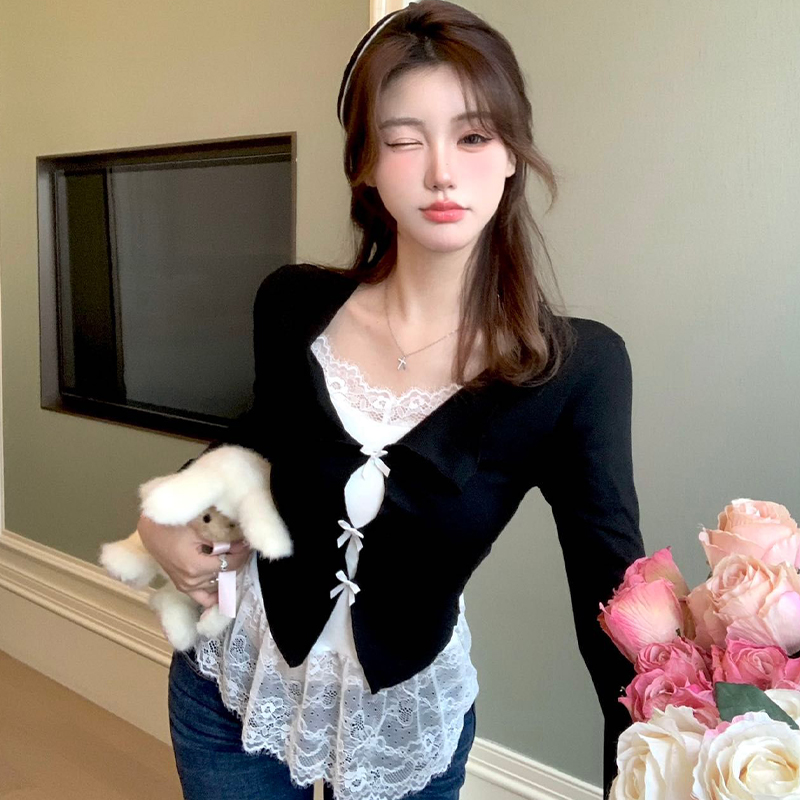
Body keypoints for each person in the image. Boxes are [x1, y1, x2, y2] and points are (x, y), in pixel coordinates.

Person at [137, 2, 646, 799]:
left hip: (402, 729)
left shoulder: (576, 370)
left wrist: (649, 767)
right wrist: (162, 510)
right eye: (405, 140)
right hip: (230, 691)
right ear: (366, 166)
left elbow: (613, 601)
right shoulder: (293, 303)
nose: (442, 171)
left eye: (473, 137)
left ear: (511, 156)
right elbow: (259, 434)